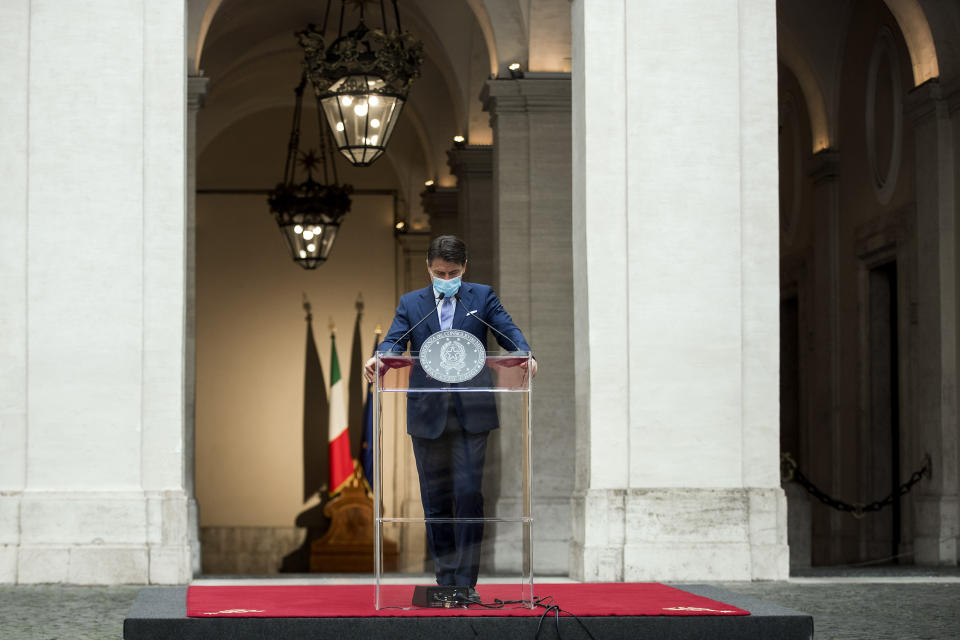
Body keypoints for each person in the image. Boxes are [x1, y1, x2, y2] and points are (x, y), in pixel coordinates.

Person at [364, 235, 536, 595]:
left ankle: (466, 583)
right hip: (428, 414)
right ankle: (445, 579)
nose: (447, 277)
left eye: (453, 272)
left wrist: (525, 355)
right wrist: (379, 360)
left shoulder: (481, 297)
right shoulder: (412, 303)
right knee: (436, 498)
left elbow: (509, 332)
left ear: (464, 269)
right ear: (429, 268)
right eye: (440, 272)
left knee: (470, 494)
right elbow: (395, 341)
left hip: (471, 413)